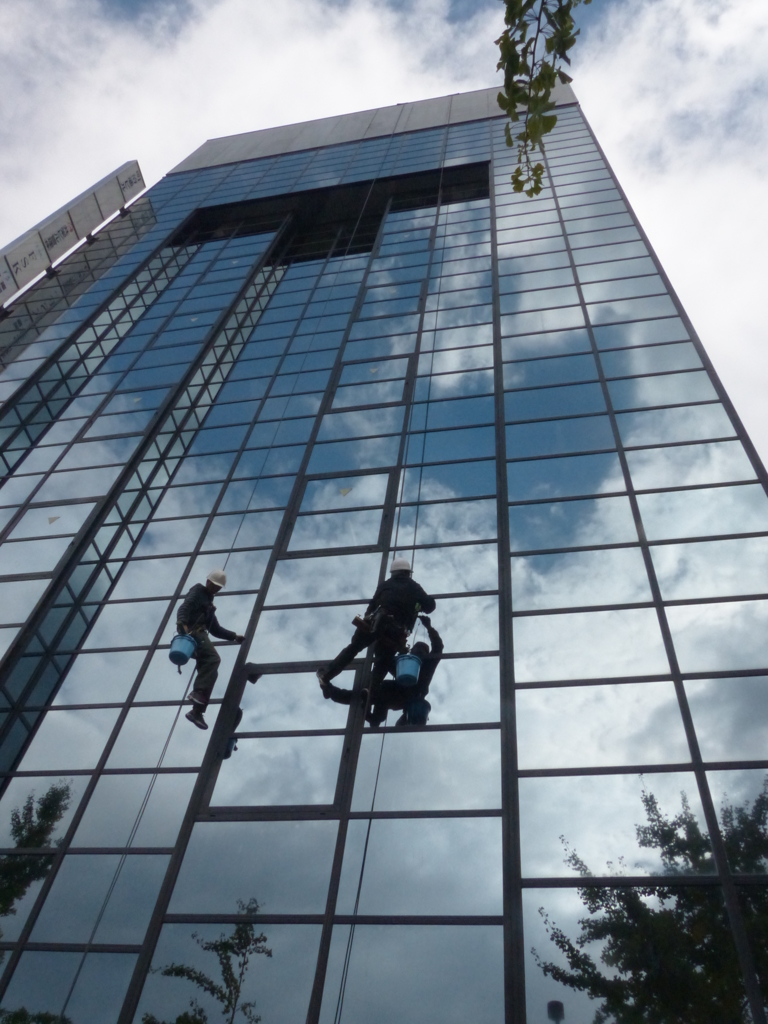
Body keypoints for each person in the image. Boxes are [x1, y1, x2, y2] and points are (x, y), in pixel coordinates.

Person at [316, 556, 436, 707]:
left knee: (353, 648)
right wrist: (423, 602)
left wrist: (367, 620)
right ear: (407, 573)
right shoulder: (413, 586)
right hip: (395, 630)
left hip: (377, 622)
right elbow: (430, 606)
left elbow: (372, 606)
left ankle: (326, 675)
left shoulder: (384, 585)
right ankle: (370, 689)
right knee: (383, 661)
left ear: (393, 573)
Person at [320, 615, 443, 728]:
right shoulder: (411, 664)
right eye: (418, 649)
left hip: (404, 696)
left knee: (362, 697)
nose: (419, 652)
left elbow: (438, 647)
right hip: (396, 694)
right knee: (366, 698)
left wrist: (429, 628)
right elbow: (387, 663)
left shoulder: (425, 664)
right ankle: (372, 715)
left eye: (421, 650)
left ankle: (376, 714)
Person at [177, 568, 245, 730]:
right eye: (213, 584)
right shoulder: (198, 591)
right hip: (193, 634)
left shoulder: (208, 605)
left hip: (196, 636)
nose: (215, 588)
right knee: (214, 659)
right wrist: (182, 625)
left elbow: (215, 629)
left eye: (218, 587)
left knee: (210, 670)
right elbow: (184, 607)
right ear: (207, 581)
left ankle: (196, 712)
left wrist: (234, 636)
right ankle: (197, 693)